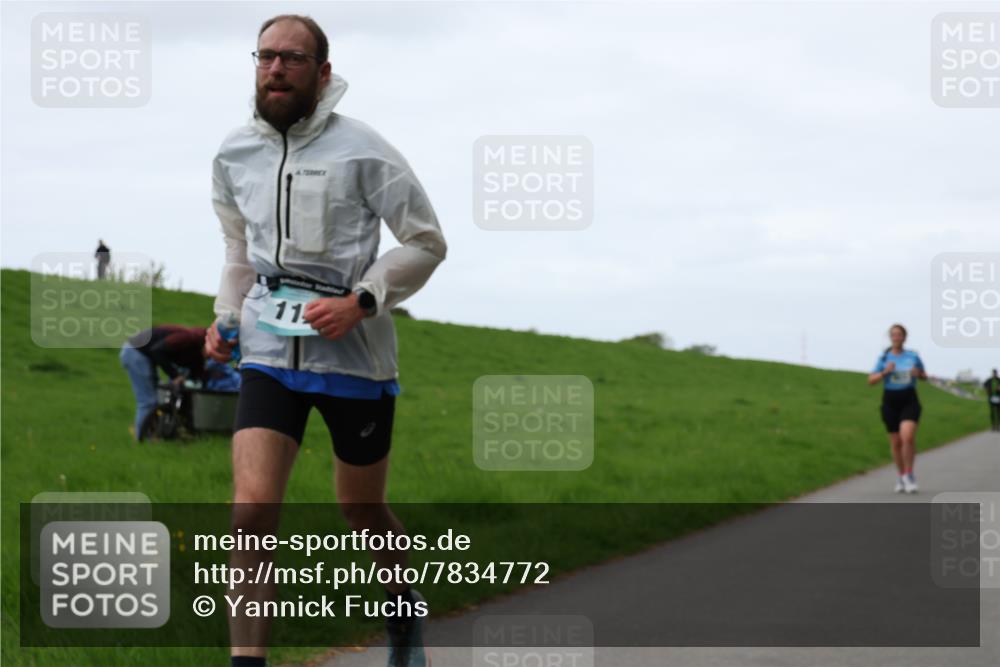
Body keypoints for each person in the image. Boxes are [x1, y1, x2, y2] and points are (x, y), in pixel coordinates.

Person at [204, 14, 446, 667]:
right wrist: (227, 318)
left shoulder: (363, 150)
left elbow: (427, 243)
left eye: (292, 58)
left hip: (355, 357)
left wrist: (361, 300)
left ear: (323, 72)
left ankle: (403, 613)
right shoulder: (234, 154)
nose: (276, 68)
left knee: (361, 507)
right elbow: (238, 249)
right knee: (251, 510)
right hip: (269, 353)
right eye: (265, 56)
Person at [120, 325, 208, 440]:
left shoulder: (198, 354)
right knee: (147, 401)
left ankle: (155, 434)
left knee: (156, 398)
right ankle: (142, 439)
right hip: (135, 352)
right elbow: (157, 350)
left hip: (142, 354)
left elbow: (198, 374)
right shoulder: (187, 338)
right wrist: (175, 376)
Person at [867, 324, 927, 493]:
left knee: (907, 436)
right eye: (893, 335)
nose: (896, 337)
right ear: (890, 337)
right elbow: (871, 381)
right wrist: (885, 372)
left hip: (909, 398)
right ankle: (900, 476)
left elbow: (924, 376)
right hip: (890, 401)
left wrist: (919, 374)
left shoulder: (913, 356)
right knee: (895, 441)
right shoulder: (884, 357)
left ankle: (909, 474)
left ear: (904, 337)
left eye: (899, 334)